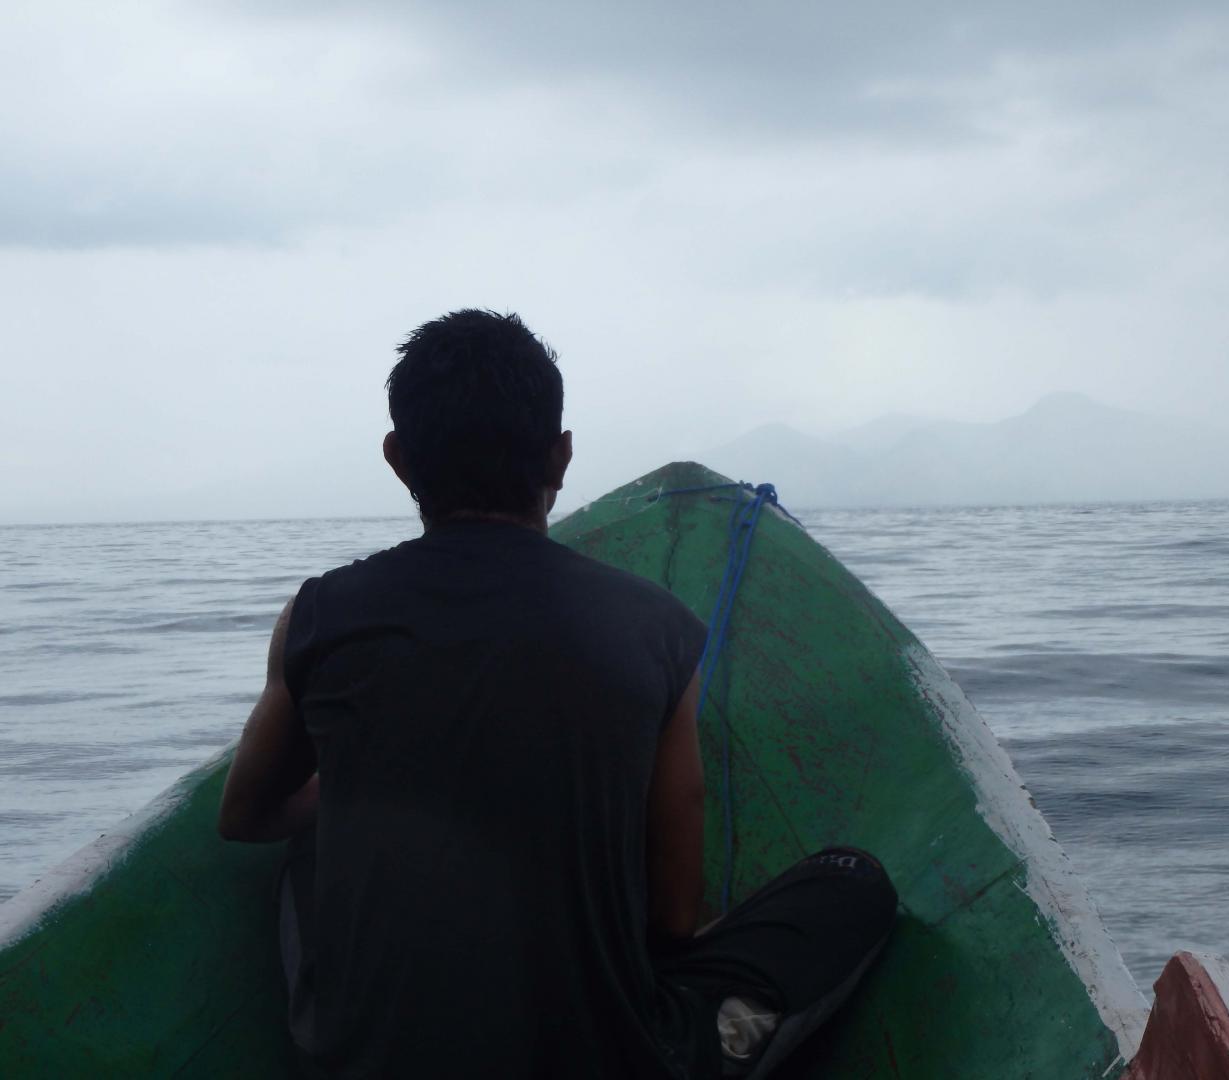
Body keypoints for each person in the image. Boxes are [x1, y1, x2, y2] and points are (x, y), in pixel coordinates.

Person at [217, 310, 897, 1078]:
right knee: (853, 886)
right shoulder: (657, 629)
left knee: (303, 859)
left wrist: (347, 787)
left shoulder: (318, 615)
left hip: (361, 1060)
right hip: (606, 1058)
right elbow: (674, 922)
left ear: (399, 460)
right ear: (561, 457)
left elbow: (245, 815)